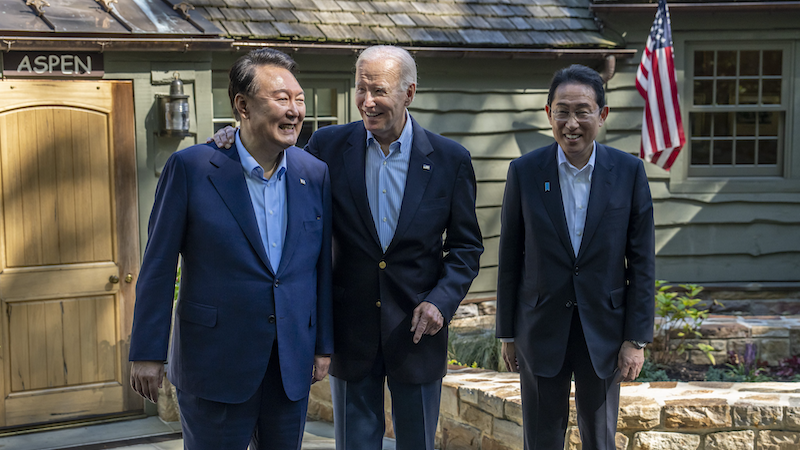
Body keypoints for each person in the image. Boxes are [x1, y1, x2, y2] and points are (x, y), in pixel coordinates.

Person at [213, 45, 483, 450]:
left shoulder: (450, 159)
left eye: (379, 91)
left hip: (417, 332)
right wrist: (235, 139)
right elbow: (275, 174)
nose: (367, 101)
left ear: (409, 94)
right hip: (350, 331)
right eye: (361, 89)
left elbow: (465, 247)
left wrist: (440, 302)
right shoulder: (327, 146)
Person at [129, 48, 333, 450]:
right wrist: (147, 352)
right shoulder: (192, 168)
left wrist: (323, 344)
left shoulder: (315, 173)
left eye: (299, 99)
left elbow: (320, 267)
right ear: (242, 105)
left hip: (289, 366)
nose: (295, 111)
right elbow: (159, 263)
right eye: (281, 99)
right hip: (214, 364)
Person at [495, 64, 655, 450]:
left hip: (604, 331)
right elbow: (510, 257)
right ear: (548, 113)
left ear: (602, 115)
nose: (572, 122)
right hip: (539, 328)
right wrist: (508, 333)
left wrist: (636, 339)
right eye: (562, 111)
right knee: (542, 439)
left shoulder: (629, 173)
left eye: (582, 111)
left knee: (600, 440)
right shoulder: (525, 172)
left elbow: (643, 262)